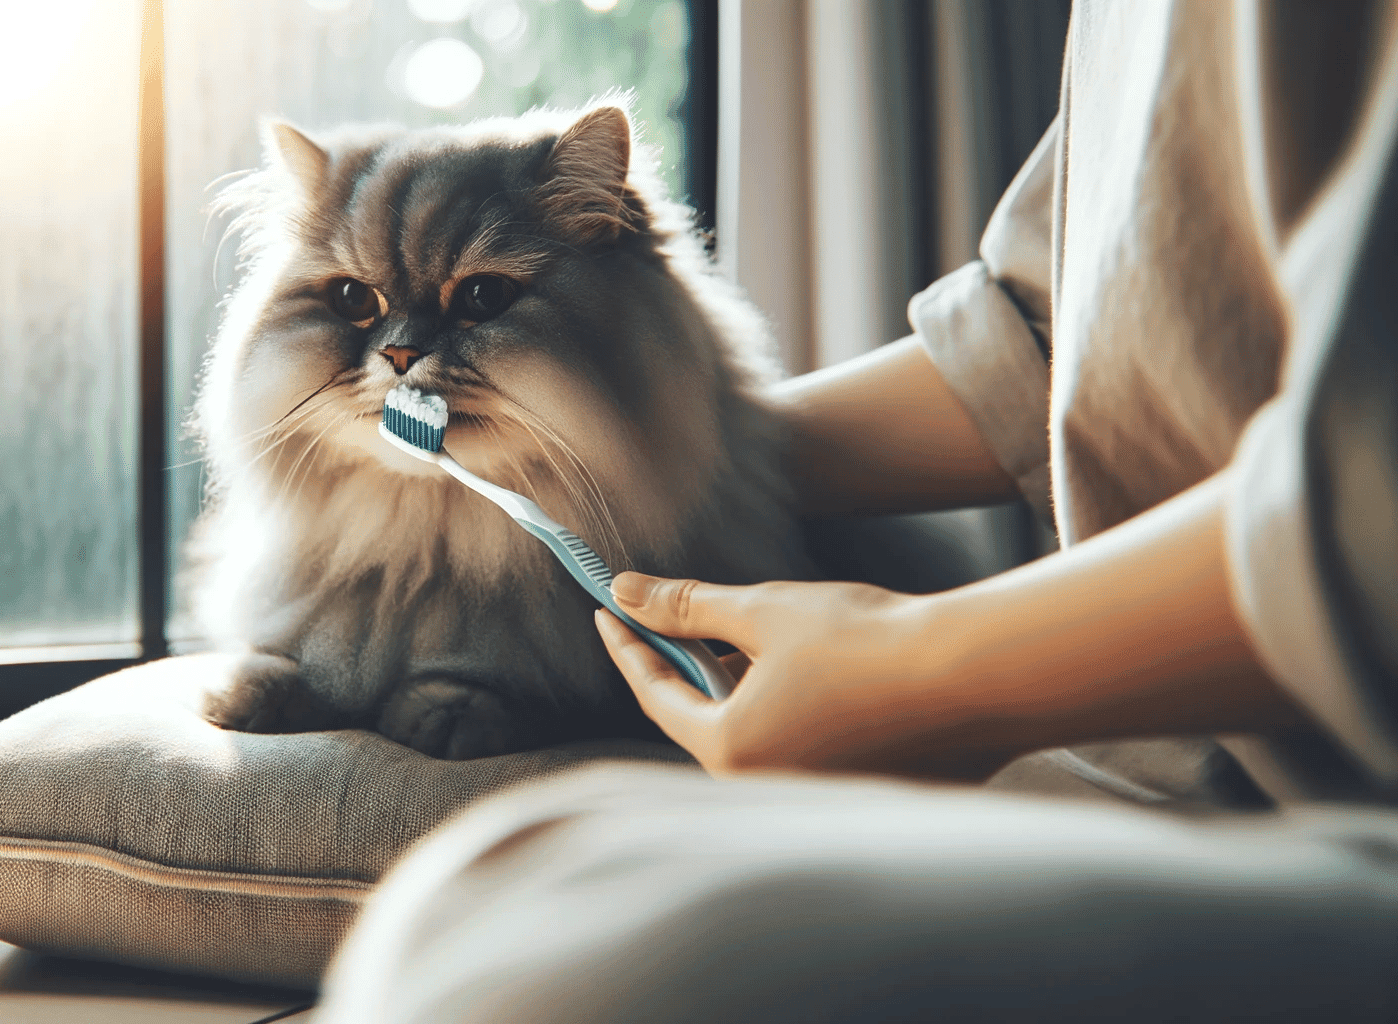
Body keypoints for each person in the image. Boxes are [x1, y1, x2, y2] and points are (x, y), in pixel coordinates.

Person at [315, 4, 1398, 1020]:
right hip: (1164, 758)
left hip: (1346, 788)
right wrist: (655, 459)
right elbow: (1061, 338)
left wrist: (926, 669)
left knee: (553, 959)